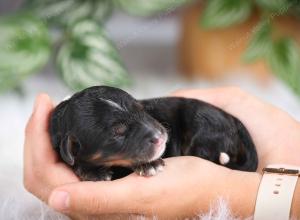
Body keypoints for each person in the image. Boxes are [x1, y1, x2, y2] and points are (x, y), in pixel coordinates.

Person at [23, 87, 300, 220]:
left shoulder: (95, 141)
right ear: (73, 151)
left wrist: (245, 193)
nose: (157, 132)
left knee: (201, 123)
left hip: (202, 124)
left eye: (138, 109)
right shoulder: (74, 141)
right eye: (119, 132)